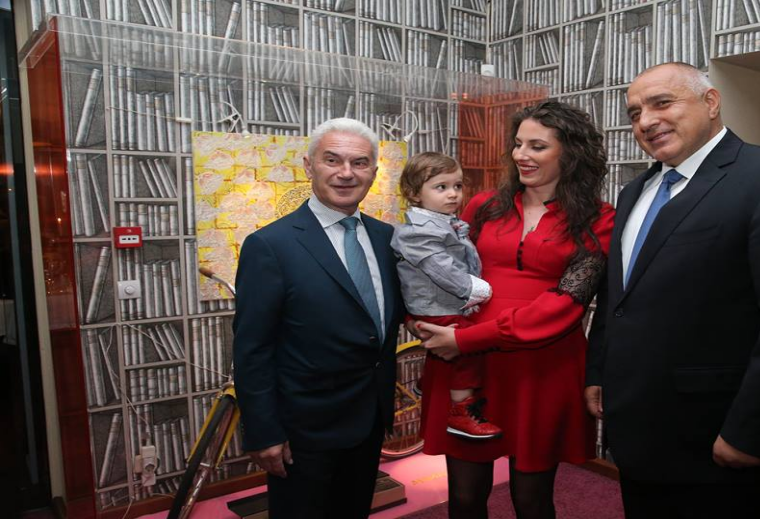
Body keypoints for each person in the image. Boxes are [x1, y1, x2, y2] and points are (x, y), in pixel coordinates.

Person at [585, 62, 760, 519]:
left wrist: (753, 430)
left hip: (719, 436)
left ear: (710, 102)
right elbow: (618, 295)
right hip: (639, 427)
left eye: (662, 103)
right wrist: (599, 371)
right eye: (635, 113)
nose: (646, 121)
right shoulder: (635, 192)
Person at [416, 101, 616, 519]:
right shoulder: (484, 206)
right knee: (465, 497)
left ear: (571, 152)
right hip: (468, 369)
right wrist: (427, 322)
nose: (521, 155)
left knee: (532, 500)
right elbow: (439, 267)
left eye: (537, 146)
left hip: (540, 369)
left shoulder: (598, 219)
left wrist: (466, 339)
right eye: (518, 144)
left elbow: (565, 304)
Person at [232, 118, 405, 518]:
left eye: (359, 163)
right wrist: (263, 431)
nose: (346, 173)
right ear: (309, 166)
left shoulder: (386, 238)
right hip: (303, 433)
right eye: (332, 160)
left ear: (373, 171)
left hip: (369, 420)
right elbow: (252, 348)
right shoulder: (270, 245)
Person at [391, 152, 501, 440]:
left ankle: (424, 384)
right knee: (468, 349)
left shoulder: (442, 221)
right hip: (435, 304)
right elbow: (441, 269)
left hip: (441, 302)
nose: (453, 194)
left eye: (458, 186)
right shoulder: (418, 231)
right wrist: (476, 288)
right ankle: (460, 413)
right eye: (441, 187)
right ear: (414, 193)